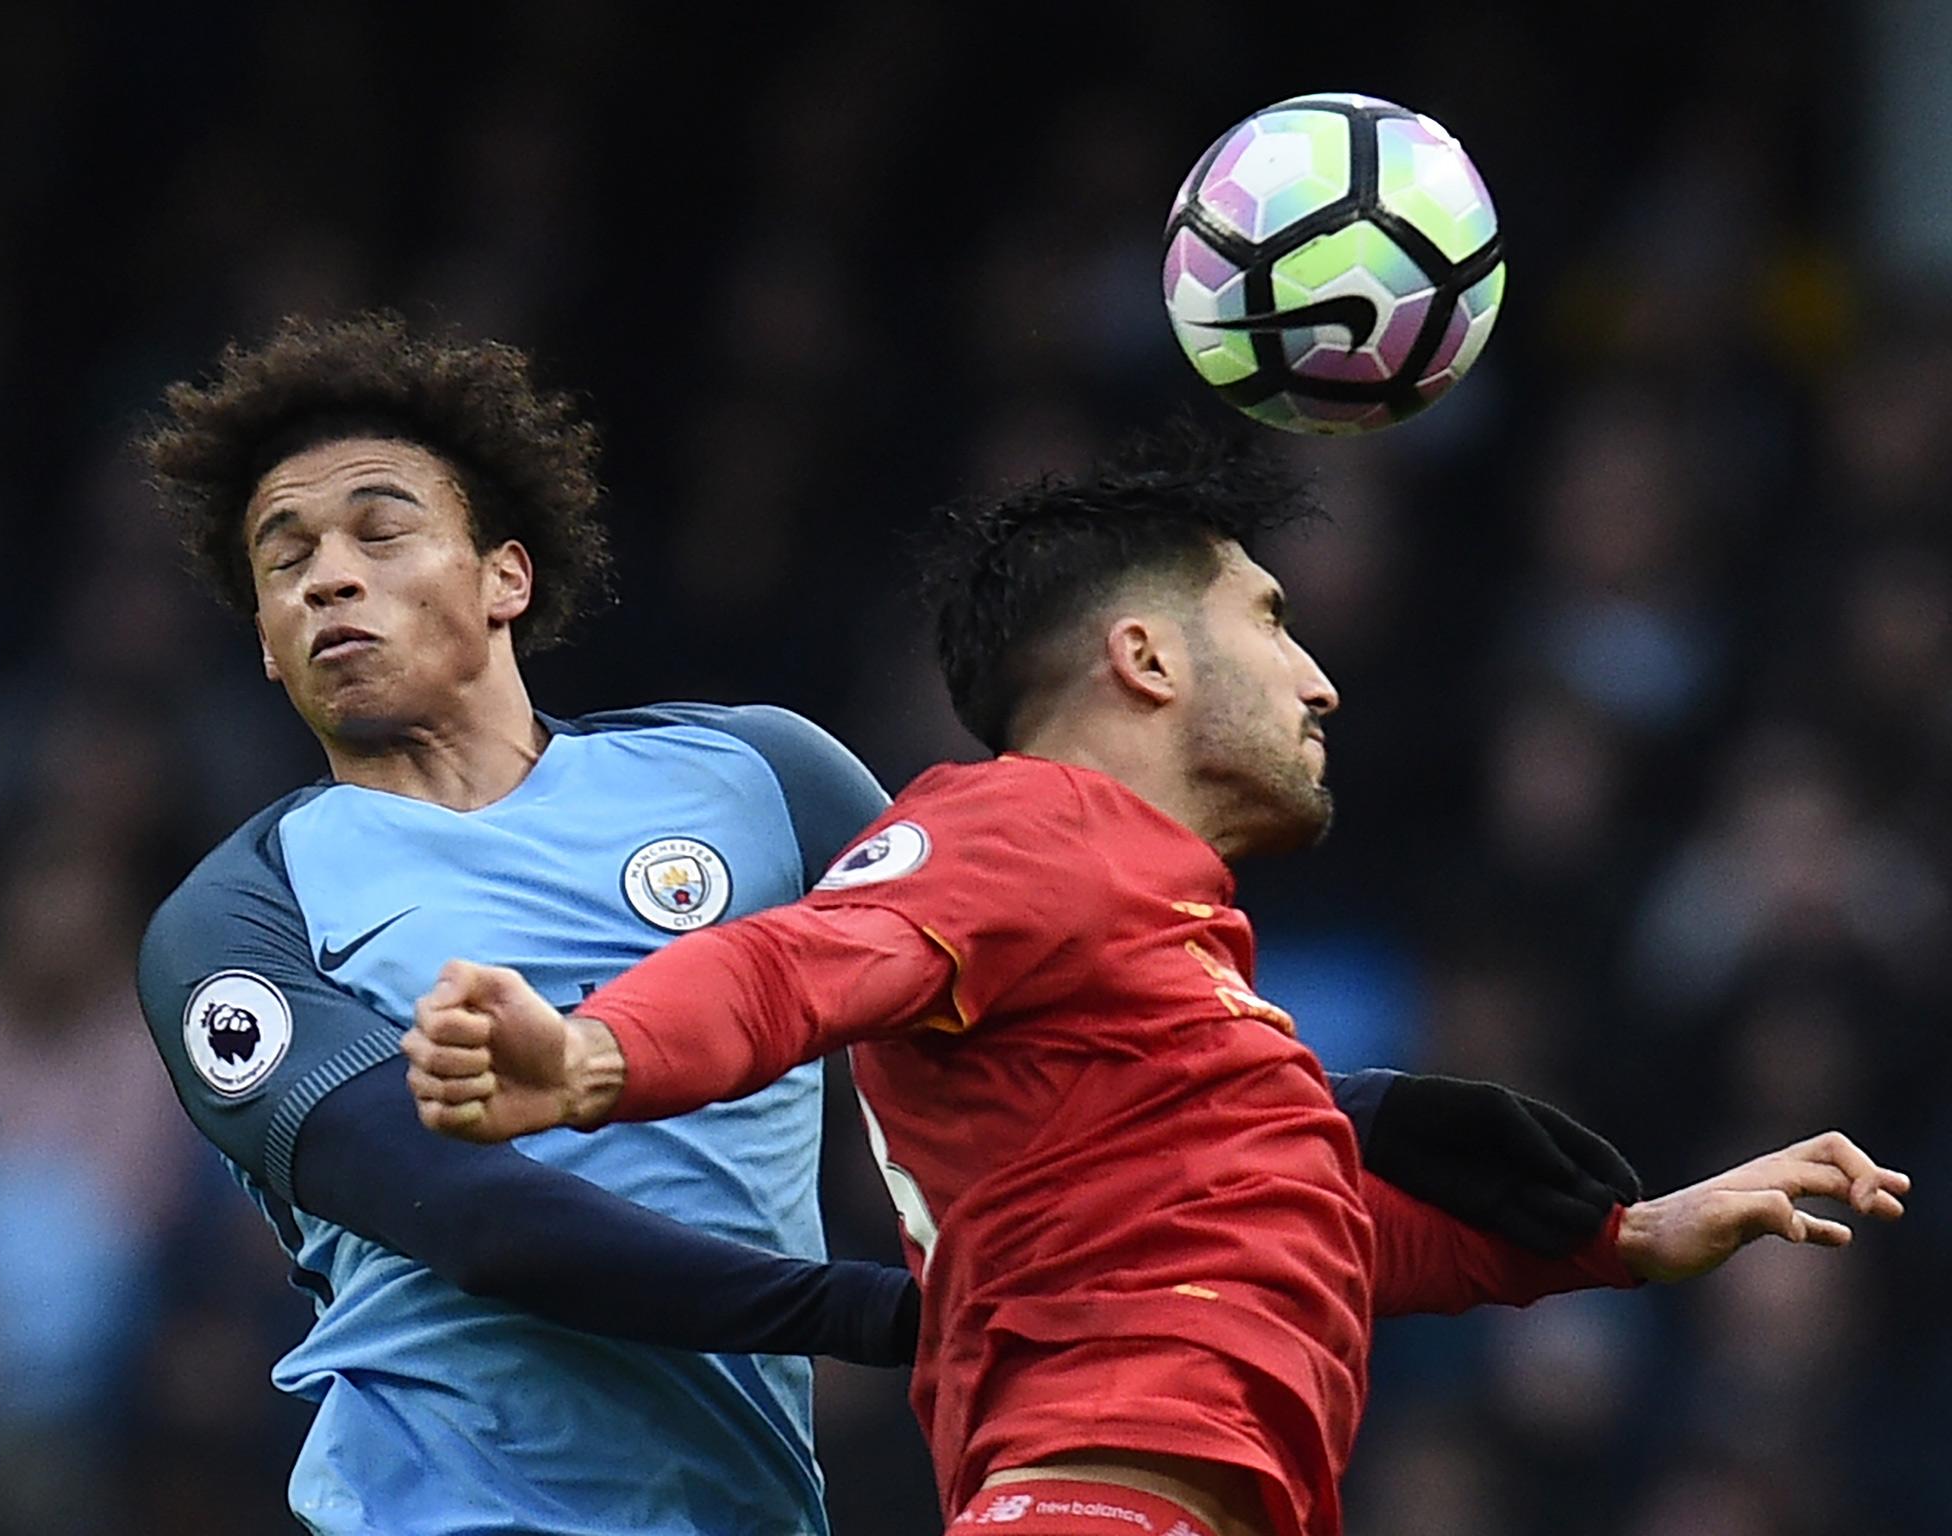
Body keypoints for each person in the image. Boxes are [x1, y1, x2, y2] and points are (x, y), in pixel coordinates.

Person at [134, 318, 1642, 1536]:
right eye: (284, 558)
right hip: (447, 1513)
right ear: (267, 645)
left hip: (747, 1505)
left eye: (379, 530)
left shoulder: (757, 777)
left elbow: (1005, 1015)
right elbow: (466, 1216)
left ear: (506, 576)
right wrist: (893, 1316)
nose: (329, 573)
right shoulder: (235, 917)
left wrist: (1335, 1114)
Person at [401, 420, 1911, 1536]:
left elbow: (1290, 1210)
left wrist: (1624, 1237)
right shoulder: (1025, 825)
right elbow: (801, 960)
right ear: (1143, 656)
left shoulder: (1152, 950)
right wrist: (592, 1060)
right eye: (1269, 617)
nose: (1317, 675)